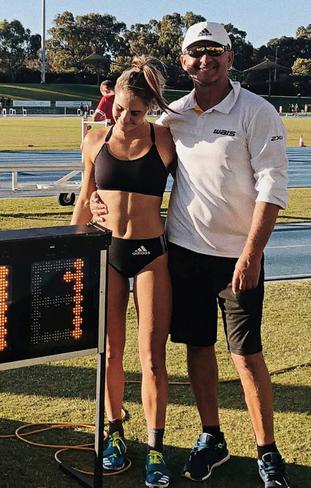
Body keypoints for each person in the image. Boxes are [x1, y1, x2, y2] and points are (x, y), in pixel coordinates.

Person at [91, 21, 291, 487]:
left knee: (246, 355)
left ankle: (267, 452)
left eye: (214, 51)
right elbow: (124, 164)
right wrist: (97, 201)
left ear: (230, 57)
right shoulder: (173, 118)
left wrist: (252, 253)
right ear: (184, 61)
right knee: (197, 349)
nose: (206, 59)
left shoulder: (256, 111)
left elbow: (273, 184)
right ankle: (212, 436)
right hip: (181, 252)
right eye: (196, 52)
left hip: (237, 257)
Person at [71, 56, 177, 488]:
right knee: (111, 352)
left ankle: (155, 449)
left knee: (152, 358)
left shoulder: (166, 140)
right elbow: (84, 197)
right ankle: (114, 434)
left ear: (150, 107)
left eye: (135, 112)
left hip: (152, 253)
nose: (125, 119)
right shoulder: (95, 140)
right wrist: (75, 242)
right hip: (108, 251)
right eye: (118, 110)